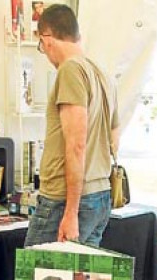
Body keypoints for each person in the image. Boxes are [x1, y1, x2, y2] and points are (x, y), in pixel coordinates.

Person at [24, 4, 118, 247]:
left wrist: (70, 212)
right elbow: (114, 139)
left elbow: (76, 144)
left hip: (65, 199)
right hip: (99, 193)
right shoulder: (103, 75)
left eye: (42, 47)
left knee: (34, 279)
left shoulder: (70, 70)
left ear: (47, 40)